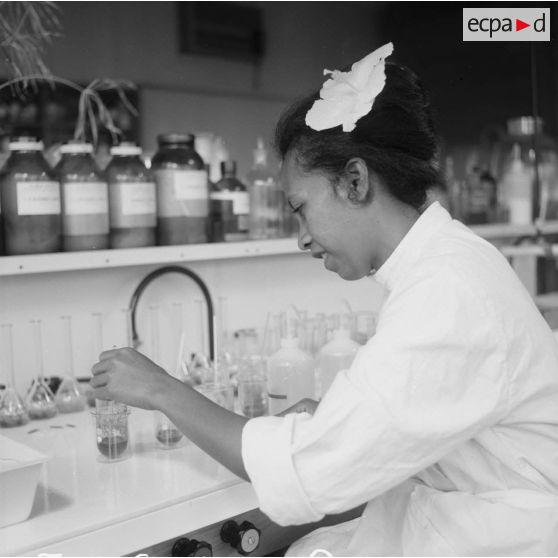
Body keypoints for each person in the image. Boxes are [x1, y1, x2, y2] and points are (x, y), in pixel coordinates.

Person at [91, 43, 558, 556]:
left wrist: (163, 390)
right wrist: (343, 416)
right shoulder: (444, 264)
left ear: (355, 181)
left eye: (301, 208)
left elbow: (310, 473)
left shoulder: (448, 290)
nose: (302, 238)